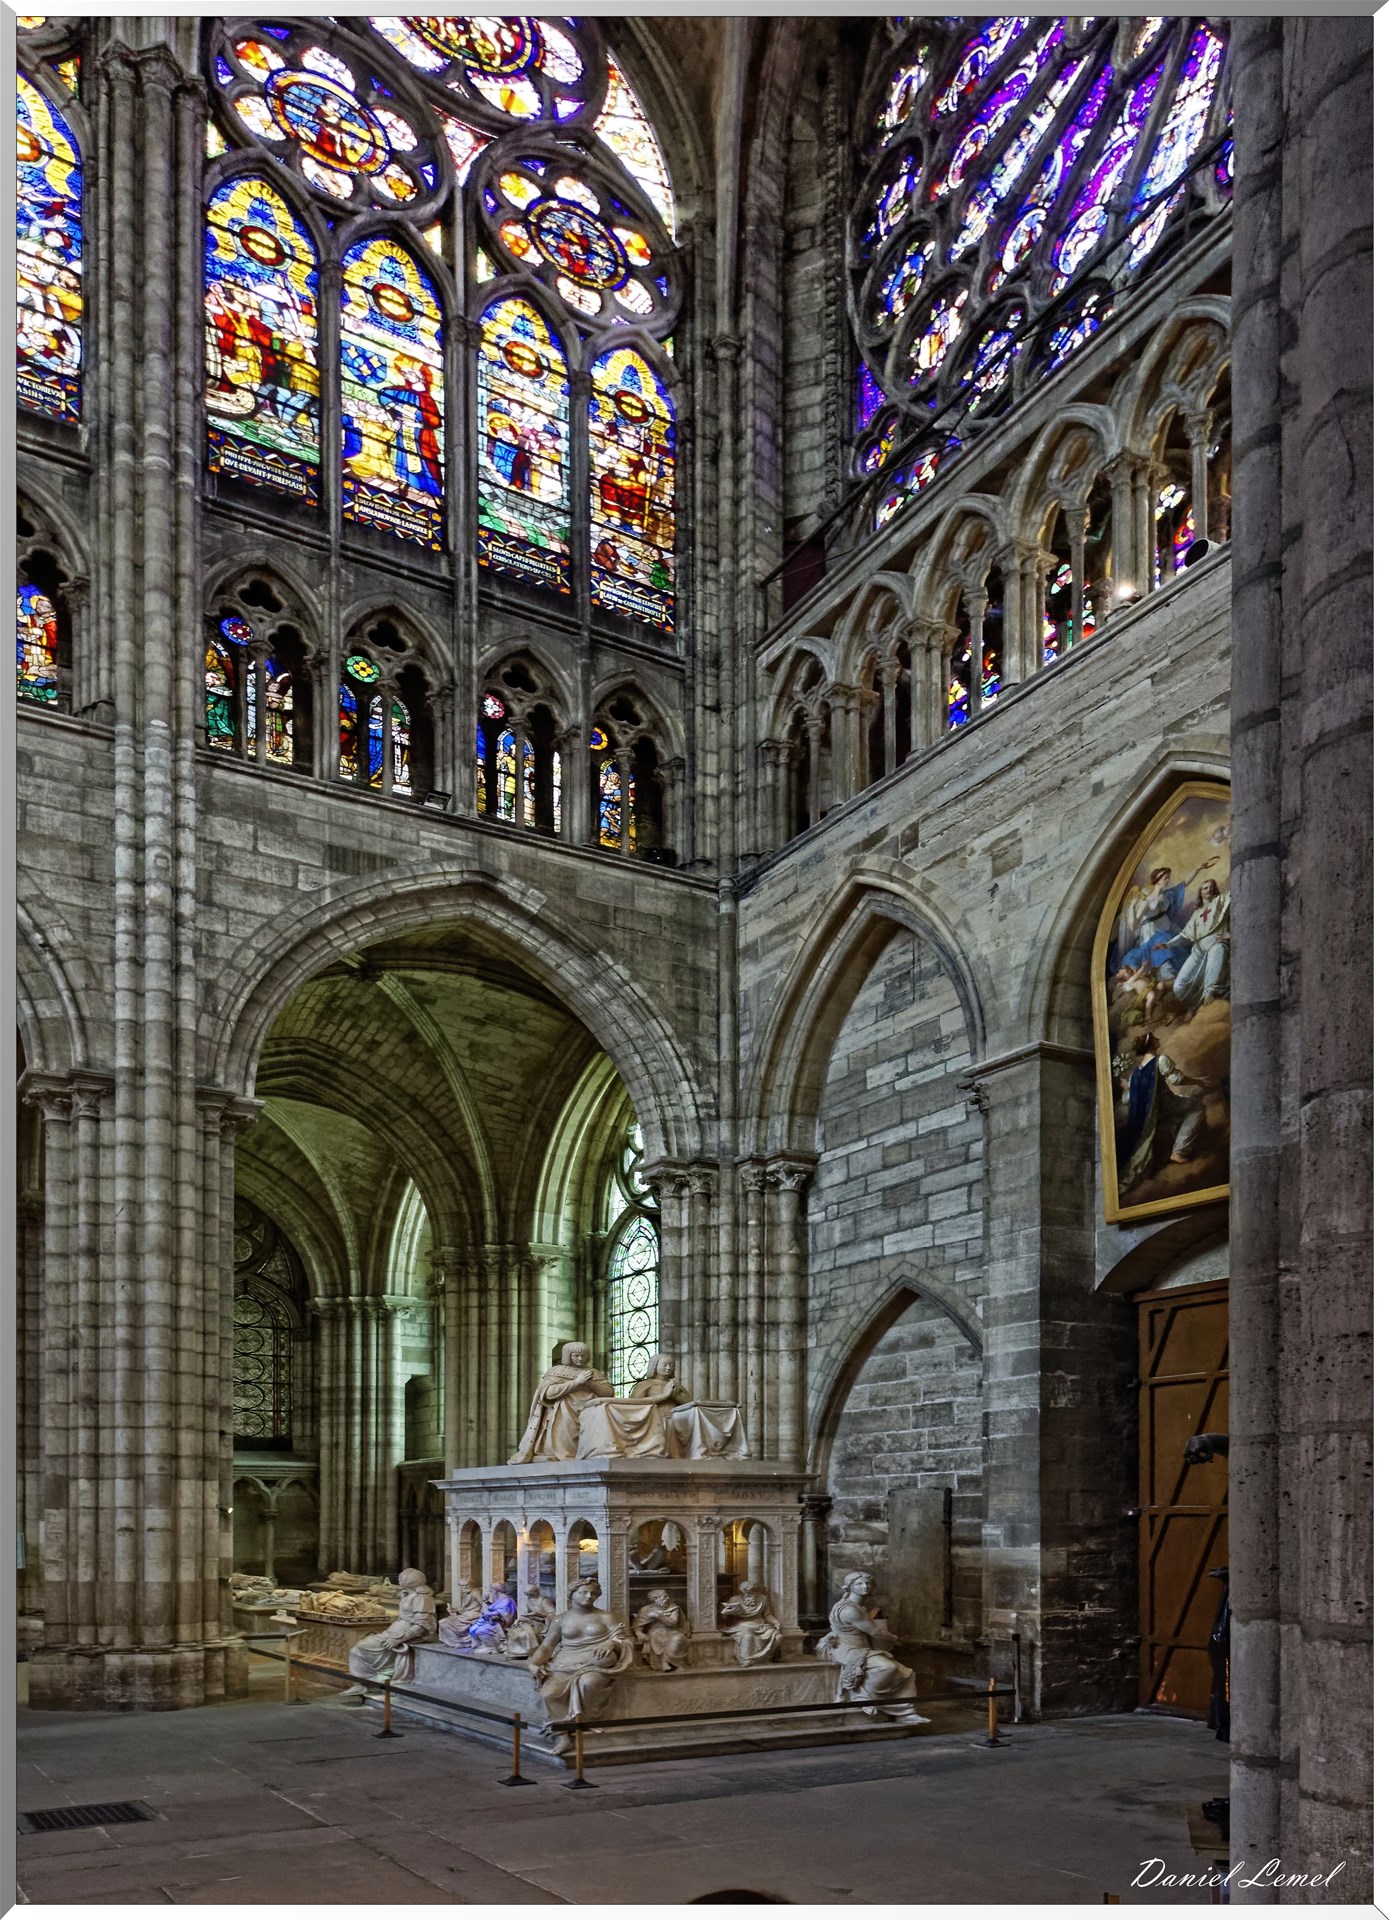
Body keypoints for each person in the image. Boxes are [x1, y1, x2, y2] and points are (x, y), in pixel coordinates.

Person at [528, 1578, 633, 1724]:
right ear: (572, 1594)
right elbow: (547, 1646)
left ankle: (585, 1724)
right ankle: (562, 1733)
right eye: (583, 1593)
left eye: (593, 1594)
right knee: (549, 1694)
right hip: (565, 1665)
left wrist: (611, 1643)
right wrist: (534, 1663)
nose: (589, 1597)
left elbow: (624, 1639)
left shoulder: (605, 1617)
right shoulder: (561, 1619)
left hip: (595, 1665)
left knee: (588, 1683)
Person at [816, 1572, 920, 1718]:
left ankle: (907, 1713)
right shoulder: (850, 1610)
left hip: (860, 1646)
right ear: (850, 1587)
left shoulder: (858, 1607)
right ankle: (862, 1696)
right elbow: (876, 1632)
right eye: (859, 1584)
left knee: (906, 1673)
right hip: (847, 1649)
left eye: (868, 1583)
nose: (865, 1587)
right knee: (888, 1667)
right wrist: (895, 1639)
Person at [509, 1342, 614, 1462]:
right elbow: (548, 1393)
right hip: (565, 1412)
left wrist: (590, 1383)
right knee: (564, 1414)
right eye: (576, 1355)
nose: (580, 1358)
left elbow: (608, 1393)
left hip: (590, 1412)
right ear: (568, 1356)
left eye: (583, 1355)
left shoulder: (593, 1372)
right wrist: (577, 1382)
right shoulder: (557, 1371)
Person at [341, 1567, 435, 1700]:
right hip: (395, 1630)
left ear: (411, 1581)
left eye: (402, 1577)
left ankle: (374, 1676)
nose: (399, 1578)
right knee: (355, 1650)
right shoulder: (406, 1594)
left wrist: (398, 1640)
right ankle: (361, 1681)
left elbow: (422, 1625)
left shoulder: (423, 1598)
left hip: (406, 1634)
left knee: (363, 1645)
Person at [1172, 878, 1231, 1010]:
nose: (1209, 889)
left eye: (1211, 887)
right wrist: (1168, 945)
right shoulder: (1197, 914)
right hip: (1198, 949)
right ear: (1200, 893)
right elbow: (1184, 935)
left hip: (1217, 942)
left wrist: (1231, 936)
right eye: (1205, 888)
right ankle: (1192, 1007)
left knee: (1217, 951)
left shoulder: (1222, 900)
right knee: (1178, 986)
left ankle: (1209, 992)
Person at [437, 1582, 515, 1654]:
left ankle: (497, 1647)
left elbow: (503, 1614)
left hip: (500, 1623)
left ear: (496, 1590)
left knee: (480, 1630)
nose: (490, 1591)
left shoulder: (505, 1600)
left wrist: (489, 1616)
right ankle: (483, 1645)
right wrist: (487, 1603)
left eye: (491, 1589)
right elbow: (494, 1608)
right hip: (491, 1620)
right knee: (473, 1629)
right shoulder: (500, 1598)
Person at [720, 1581, 781, 1666]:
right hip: (741, 1624)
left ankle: (764, 1658)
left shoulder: (763, 1599)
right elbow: (726, 1617)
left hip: (760, 1625)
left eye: (753, 1592)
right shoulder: (735, 1599)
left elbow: (767, 1615)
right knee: (747, 1635)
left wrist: (775, 1622)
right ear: (743, 1592)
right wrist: (725, 1613)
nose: (751, 1595)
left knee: (778, 1636)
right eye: (747, 1593)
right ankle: (746, 1659)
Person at [632, 1589, 691, 1671]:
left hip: (672, 1630)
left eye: (667, 1596)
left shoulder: (673, 1607)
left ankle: (666, 1661)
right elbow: (638, 1624)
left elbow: (673, 1622)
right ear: (656, 1598)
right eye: (664, 1596)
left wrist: (659, 1616)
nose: (667, 1598)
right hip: (655, 1631)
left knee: (679, 1638)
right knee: (656, 1638)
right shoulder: (646, 1609)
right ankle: (662, 1663)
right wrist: (639, 1633)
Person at [627, 1353, 692, 1407]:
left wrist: (676, 1396)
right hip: (653, 1418)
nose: (668, 1368)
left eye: (671, 1365)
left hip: (675, 1419)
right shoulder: (644, 1384)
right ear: (655, 1366)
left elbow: (691, 1405)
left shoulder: (675, 1385)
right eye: (664, 1365)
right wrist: (663, 1396)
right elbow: (635, 1403)